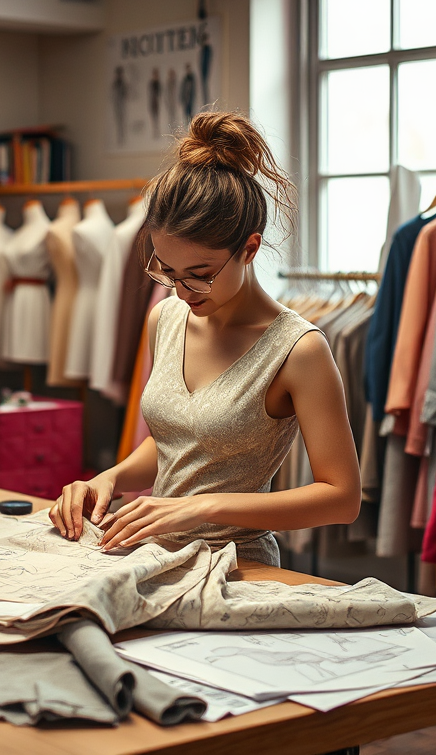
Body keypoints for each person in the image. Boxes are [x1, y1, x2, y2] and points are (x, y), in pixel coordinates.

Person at [50, 111, 361, 566]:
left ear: (250, 250)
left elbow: (341, 497)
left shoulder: (298, 350)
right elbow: (178, 439)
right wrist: (110, 478)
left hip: (237, 566)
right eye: (167, 271)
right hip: (150, 555)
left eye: (199, 275)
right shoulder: (166, 318)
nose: (181, 291)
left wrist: (202, 506)